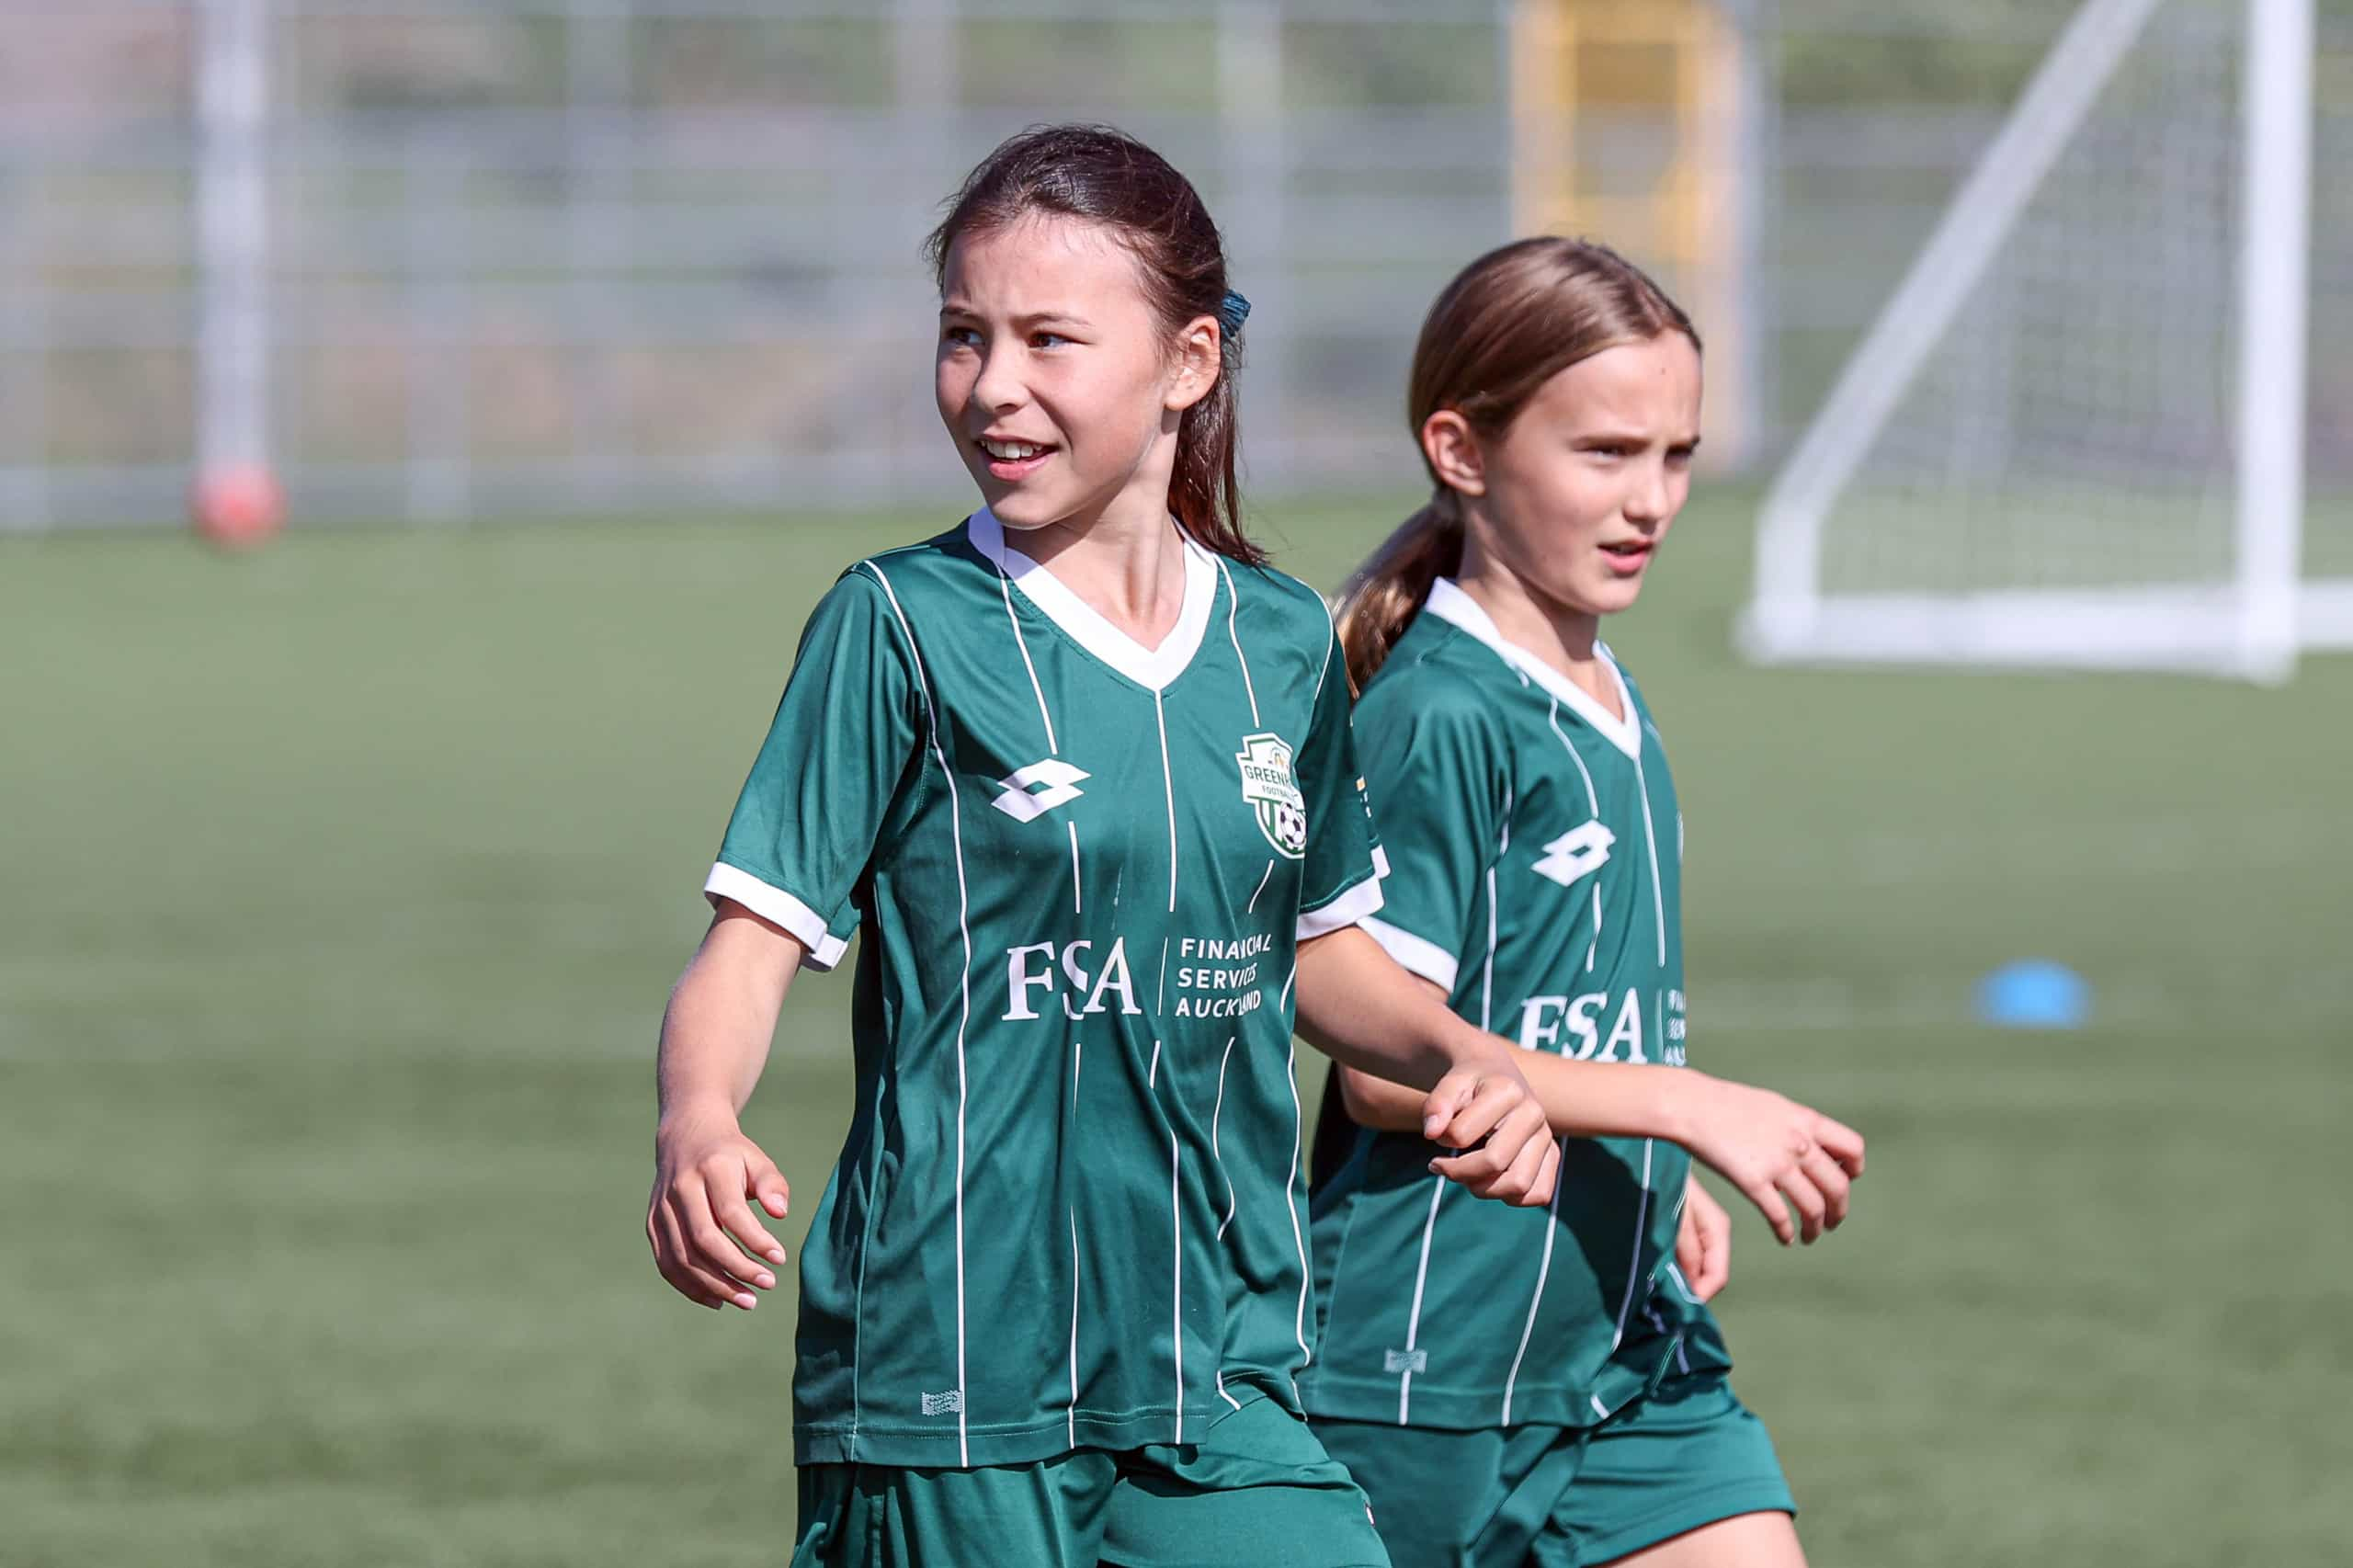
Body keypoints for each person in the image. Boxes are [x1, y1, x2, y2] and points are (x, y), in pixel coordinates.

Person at [645, 125, 1563, 1568]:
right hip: (954, 1379)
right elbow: (751, 945)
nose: (993, 385)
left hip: (1223, 1359)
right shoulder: (895, 628)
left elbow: (1319, 950)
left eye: (1048, 340)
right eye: (964, 336)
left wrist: (1466, 1055)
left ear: (1188, 364)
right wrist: (696, 1119)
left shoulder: (1277, 641)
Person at [1303, 238, 1868, 1568]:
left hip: (1626, 1344)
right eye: (1606, 453)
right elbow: (1386, 1072)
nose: (1651, 499)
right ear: (1461, 447)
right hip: (1430, 1364)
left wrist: (1642, 1172)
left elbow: (1574, 1007)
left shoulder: (1613, 703)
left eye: (1674, 455)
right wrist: (1681, 1105)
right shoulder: (1438, 710)